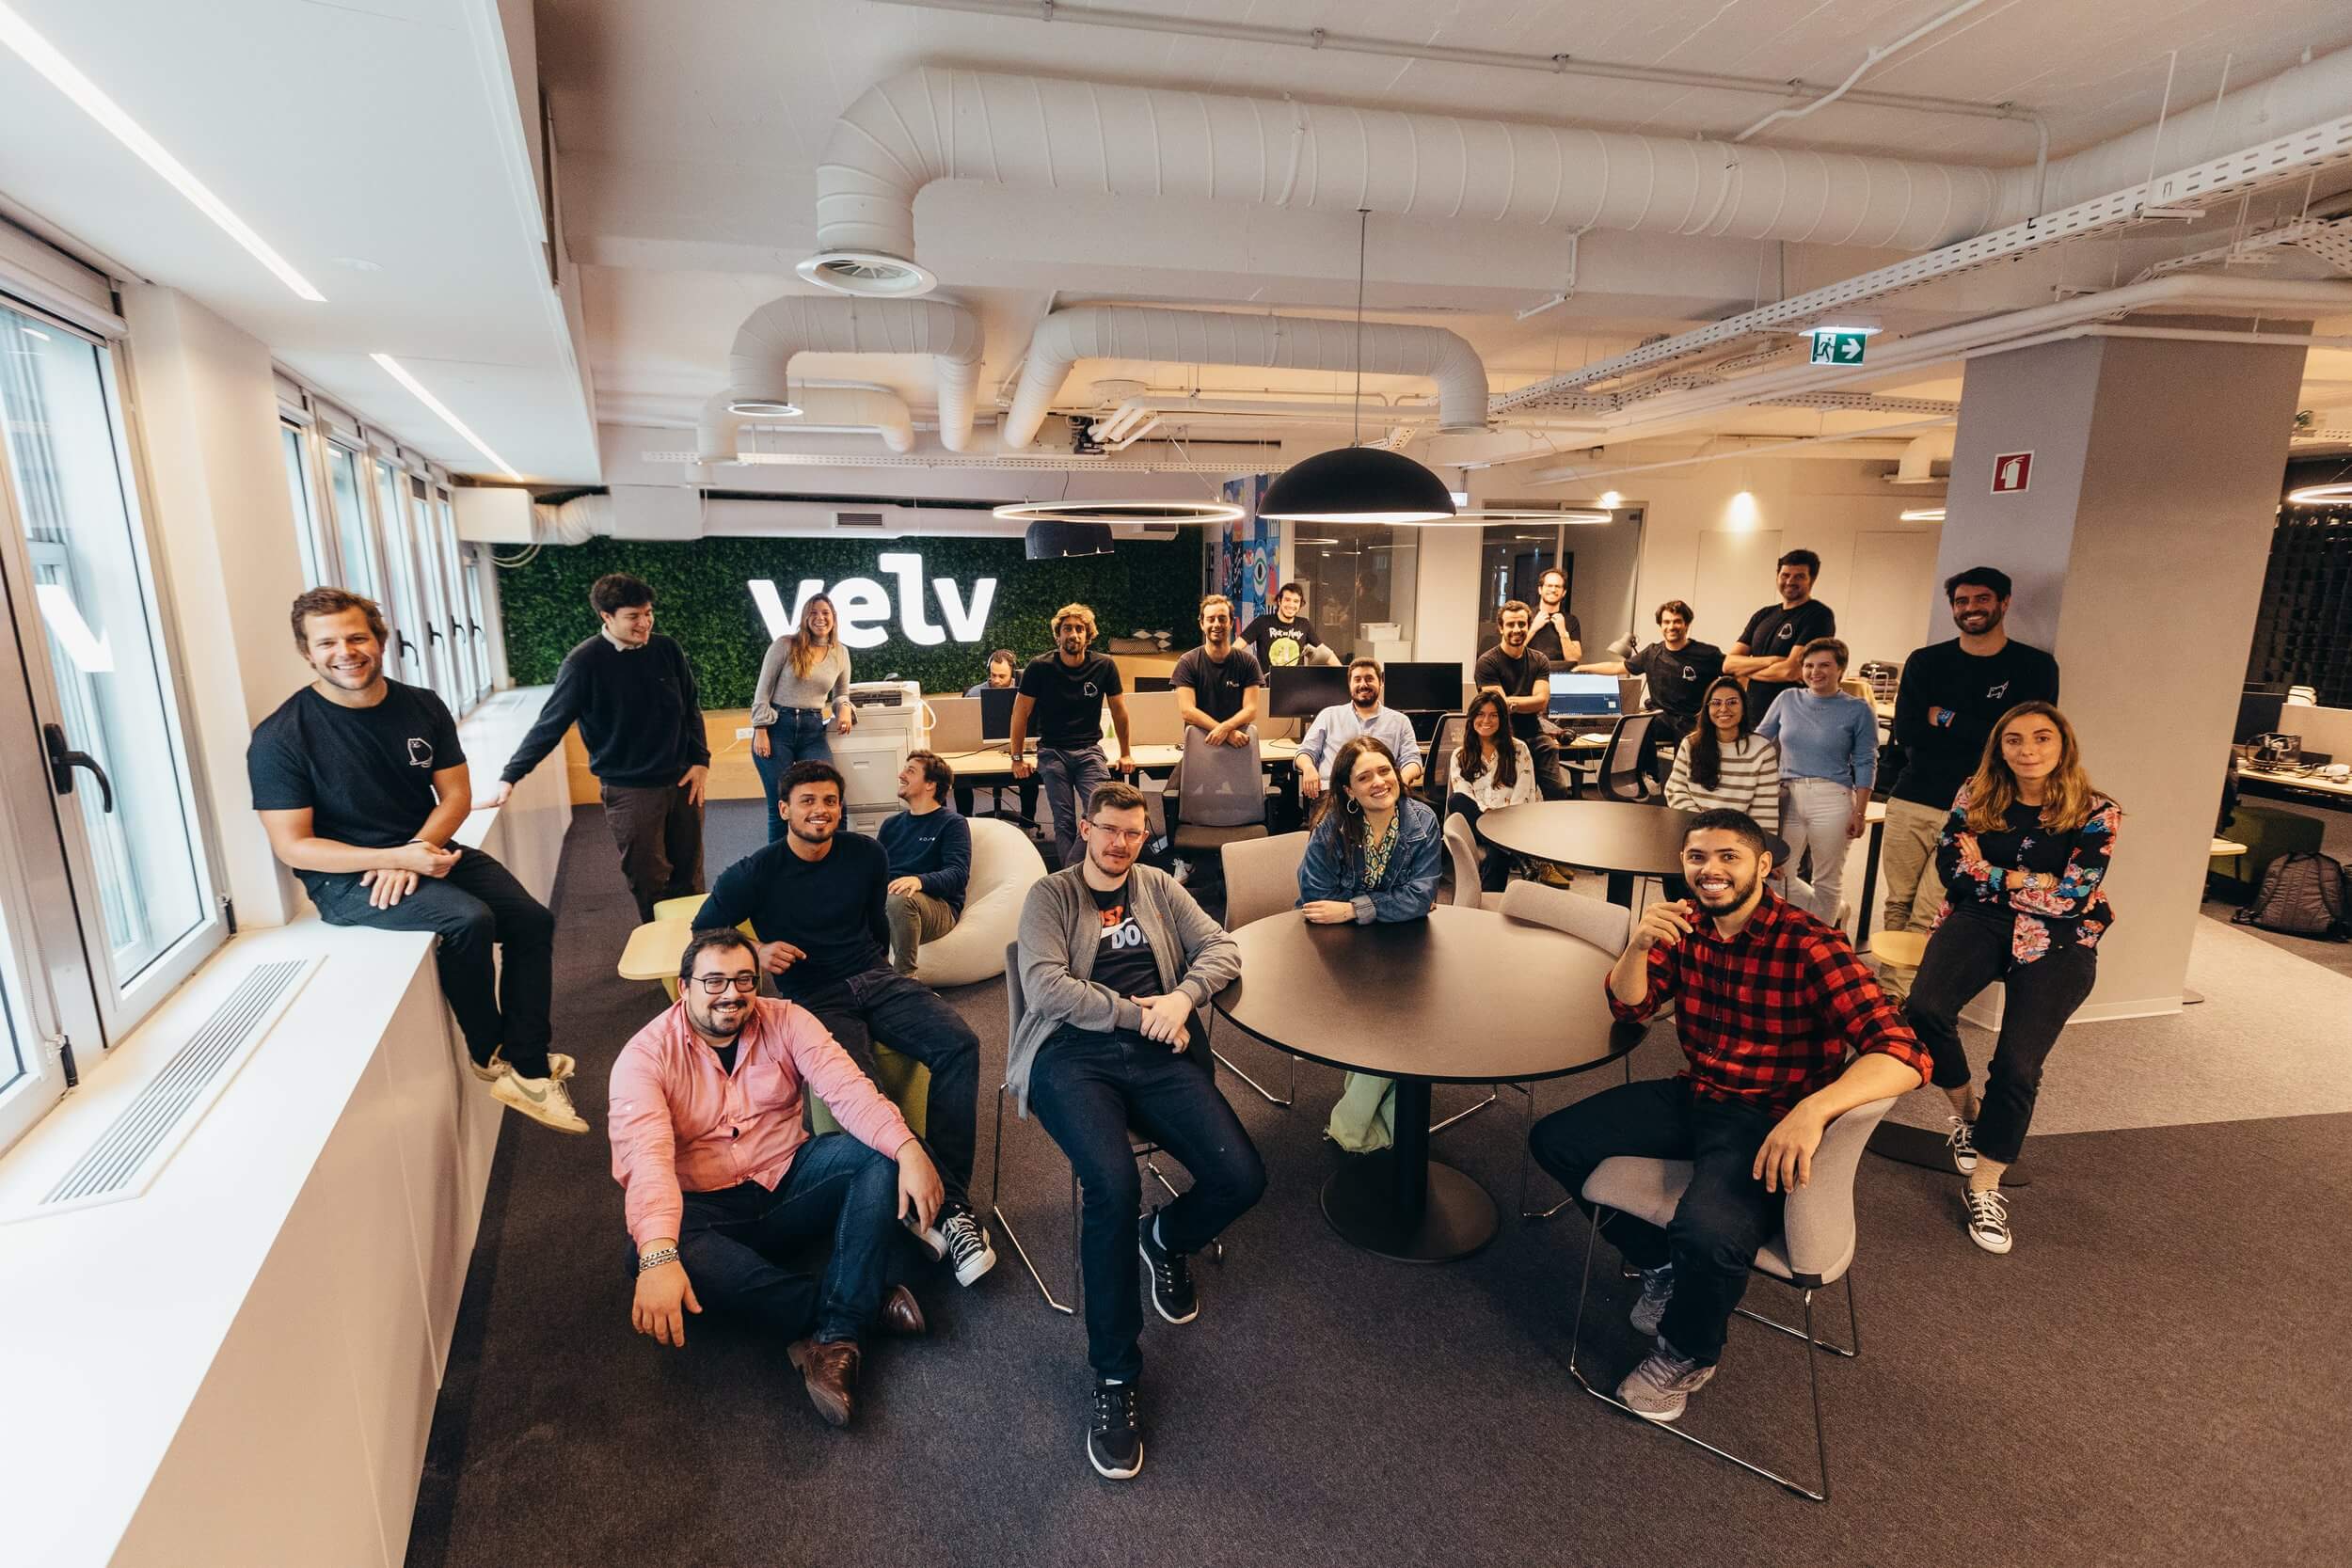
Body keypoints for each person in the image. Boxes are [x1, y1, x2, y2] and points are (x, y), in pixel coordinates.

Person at [1528, 809, 1929, 1425]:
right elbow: (1630, 1007)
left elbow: (1904, 1051)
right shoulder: (1688, 926)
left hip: (1766, 1117)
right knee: (1556, 1139)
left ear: (1763, 866)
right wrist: (1639, 944)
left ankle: (1686, 1352)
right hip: (1698, 1093)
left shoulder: (1810, 944)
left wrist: (1815, 1109)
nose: (1710, 870)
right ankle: (1659, 1263)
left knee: (1710, 1235)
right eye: (1697, 857)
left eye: (1728, 857)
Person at [248, 588, 585, 1133]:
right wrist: (395, 857)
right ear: (307, 653)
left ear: (380, 640)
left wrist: (413, 855)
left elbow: (455, 796)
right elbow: (293, 845)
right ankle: (492, 1055)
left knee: (531, 920)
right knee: (468, 919)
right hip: (345, 877)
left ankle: (526, 1060)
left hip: (426, 848)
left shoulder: (422, 704)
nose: (345, 652)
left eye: (357, 637)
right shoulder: (281, 737)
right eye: (327, 643)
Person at [1008, 780, 1264, 1481]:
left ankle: (1167, 1237)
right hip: (1071, 1054)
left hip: (1158, 1048)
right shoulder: (1051, 896)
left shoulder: (1157, 885)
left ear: (1144, 834)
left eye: (1133, 831)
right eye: (1109, 829)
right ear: (1085, 829)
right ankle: (1115, 1376)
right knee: (1112, 1185)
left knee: (1243, 1176)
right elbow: (1046, 987)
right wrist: (1137, 1012)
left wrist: (1181, 997)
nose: (1120, 843)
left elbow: (1222, 948)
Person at [609, 927, 943, 1428]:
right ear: (684, 987)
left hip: (788, 1180)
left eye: (745, 979)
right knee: (645, 1254)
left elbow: (848, 1090)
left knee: (878, 1158)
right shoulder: (643, 1057)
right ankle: (854, 1308)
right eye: (714, 981)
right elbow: (647, 1157)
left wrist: (908, 1147)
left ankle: (834, 1329)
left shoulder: (787, 1020)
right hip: (705, 1206)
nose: (731, 993)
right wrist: (658, 1255)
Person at [697, 761, 997, 1289]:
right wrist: (756, 950)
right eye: (808, 801)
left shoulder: (867, 855)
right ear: (784, 809)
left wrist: (876, 969)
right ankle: (944, 1209)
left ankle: (947, 1204)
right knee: (860, 1089)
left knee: (961, 1044)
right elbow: (703, 930)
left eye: (830, 801)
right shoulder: (756, 871)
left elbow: (876, 928)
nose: (821, 811)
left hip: (874, 977)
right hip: (814, 995)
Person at [1907, 703, 2117, 1257]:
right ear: (1999, 747)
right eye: (2014, 740)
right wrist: (2032, 879)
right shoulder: (1975, 794)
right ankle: (1968, 1115)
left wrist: (1991, 871)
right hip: (1979, 919)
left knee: (2018, 1066)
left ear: (2063, 745)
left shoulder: (2098, 812)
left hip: (2060, 936)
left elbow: (2073, 896)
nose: (2028, 750)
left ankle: (1985, 1185)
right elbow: (1952, 870)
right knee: (1923, 1008)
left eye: (2042, 738)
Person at [483, 573, 709, 924]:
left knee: (689, 874)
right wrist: (510, 776)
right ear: (606, 616)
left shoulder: (667, 649)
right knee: (648, 877)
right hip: (630, 789)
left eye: (648, 613)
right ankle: (660, 942)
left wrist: (700, 760)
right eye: (633, 616)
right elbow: (550, 725)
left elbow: (690, 708)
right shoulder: (583, 663)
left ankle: (698, 944)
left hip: (683, 781)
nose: (645, 623)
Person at [1879, 568, 2061, 1001]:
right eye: (1962, 601)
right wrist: (1984, 730)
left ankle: (1903, 1000)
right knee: (1898, 902)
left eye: (1982, 599)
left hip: (1978, 809)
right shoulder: (1926, 661)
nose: (1971, 609)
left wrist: (1946, 717)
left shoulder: (2034, 667)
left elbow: (2020, 741)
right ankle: (1890, 994)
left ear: (2004, 603)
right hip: (1912, 797)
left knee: (1931, 908)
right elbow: (1908, 731)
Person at [1297, 737, 1441, 1152]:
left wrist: (1353, 909)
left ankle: (1353, 1126)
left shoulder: (1423, 822)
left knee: (1401, 1021)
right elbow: (1315, 898)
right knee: (1390, 1026)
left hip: (1403, 946)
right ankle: (1366, 1125)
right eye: (1364, 777)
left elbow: (1421, 897)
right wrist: (1387, 906)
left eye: (1384, 771)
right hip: (1339, 949)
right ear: (1348, 789)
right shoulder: (1332, 826)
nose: (1379, 782)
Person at [1009, 603, 1139, 869]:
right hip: (1052, 751)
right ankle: (1075, 877)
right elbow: (1020, 713)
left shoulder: (1104, 665)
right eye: (1067, 629)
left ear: (1088, 635)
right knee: (1064, 820)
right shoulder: (1040, 667)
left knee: (1099, 814)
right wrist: (1017, 757)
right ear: (1058, 635)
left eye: (1080, 629)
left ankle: (1073, 873)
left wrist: (1126, 753)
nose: (1074, 634)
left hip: (1089, 750)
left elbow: (1120, 712)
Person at [1756, 639, 1876, 925]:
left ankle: (1823, 940)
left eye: (1824, 665)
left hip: (1832, 798)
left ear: (1841, 669)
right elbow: (1759, 740)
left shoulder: (1858, 709)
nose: (1815, 672)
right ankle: (1836, 912)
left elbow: (1866, 761)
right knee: (1777, 874)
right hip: (1787, 795)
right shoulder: (1787, 699)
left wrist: (1860, 812)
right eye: (1809, 665)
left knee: (1826, 880)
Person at [749, 592, 854, 845]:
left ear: (834, 618)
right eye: (813, 613)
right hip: (777, 728)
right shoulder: (785, 645)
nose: (820, 618)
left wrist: (844, 708)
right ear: (805, 618)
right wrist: (760, 729)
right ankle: (779, 862)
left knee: (833, 796)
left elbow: (841, 693)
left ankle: (838, 857)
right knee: (781, 805)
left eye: (825, 613)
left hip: (813, 730)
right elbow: (762, 691)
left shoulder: (840, 652)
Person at [1577, 599, 1725, 753]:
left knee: (1689, 760)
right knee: (1634, 730)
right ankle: (1645, 769)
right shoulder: (1652, 653)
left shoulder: (1707, 654)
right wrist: (1583, 668)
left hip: (1692, 722)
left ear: (1686, 624)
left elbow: (1733, 673)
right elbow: (1617, 667)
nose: (1671, 626)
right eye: (1666, 622)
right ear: (1660, 625)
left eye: (1677, 621)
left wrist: (1720, 707)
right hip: (1661, 718)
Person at [880, 750, 970, 976]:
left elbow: (958, 874)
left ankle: (906, 979)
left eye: (910, 771)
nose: (901, 775)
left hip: (936, 907)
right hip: (890, 902)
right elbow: (876, 872)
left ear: (930, 784)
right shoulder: (890, 825)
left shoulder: (952, 823)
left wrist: (919, 881)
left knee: (901, 897)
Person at [1724, 549, 1836, 725]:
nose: (1790, 581)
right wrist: (1773, 660)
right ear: (1777, 576)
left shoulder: (1818, 616)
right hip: (1754, 715)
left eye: (1799, 576)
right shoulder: (1763, 615)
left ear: (1812, 579)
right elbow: (1728, 664)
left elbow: (1791, 671)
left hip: (1792, 719)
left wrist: (1746, 670)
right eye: (1785, 575)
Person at [1446, 690, 1538, 895]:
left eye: (1493, 715)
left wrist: (1501, 820)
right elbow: (1463, 792)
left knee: (1497, 852)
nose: (1486, 720)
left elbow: (1524, 793)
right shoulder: (1460, 755)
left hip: (1511, 822)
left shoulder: (1519, 749)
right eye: (1480, 714)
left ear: (1502, 719)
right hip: (1478, 822)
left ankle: (1488, 904)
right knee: (1456, 800)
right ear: (1472, 718)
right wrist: (1486, 814)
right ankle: (1516, 854)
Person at [1295, 657, 1423, 803]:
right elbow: (1305, 752)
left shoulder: (1400, 721)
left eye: (1369, 679)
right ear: (1350, 684)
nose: (1363, 684)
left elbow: (1412, 760)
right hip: (1334, 794)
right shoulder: (1329, 715)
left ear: (1381, 682)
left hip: (1380, 792)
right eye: (1357, 679)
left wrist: (1401, 782)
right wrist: (1308, 767)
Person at [1475, 600, 1568, 800]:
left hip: (1534, 734)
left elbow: (1541, 701)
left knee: (1559, 791)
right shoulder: (1487, 662)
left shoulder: (1539, 660)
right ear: (1501, 628)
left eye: (1522, 624)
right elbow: (1498, 708)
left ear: (1528, 626)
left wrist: (1511, 702)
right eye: (1510, 624)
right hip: (1501, 737)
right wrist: (1523, 703)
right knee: (1510, 795)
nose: (1517, 629)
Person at [1171, 594, 1266, 744]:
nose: (1217, 624)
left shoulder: (1248, 663)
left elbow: (1251, 710)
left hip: (1238, 743)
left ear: (1231, 623)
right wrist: (1226, 733)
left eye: (1222, 619)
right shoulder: (1187, 662)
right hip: (1201, 744)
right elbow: (1187, 711)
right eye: (1211, 619)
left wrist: (1225, 728)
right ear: (1202, 624)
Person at [1240, 581, 1320, 671]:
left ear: (1300, 604)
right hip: (1267, 679)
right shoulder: (1262, 622)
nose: (1291, 605)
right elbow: (1235, 649)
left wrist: (1335, 675)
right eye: (1287, 600)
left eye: (1296, 601)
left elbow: (1326, 653)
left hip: (1297, 679)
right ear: (1279, 600)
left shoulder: (1304, 624)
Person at [1526, 566, 1582, 665]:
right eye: (1549, 585)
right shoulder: (1525, 616)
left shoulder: (1571, 620)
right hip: (1530, 671)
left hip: (1559, 672)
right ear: (1540, 589)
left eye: (1558, 586)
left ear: (1564, 592)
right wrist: (1533, 628)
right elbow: (1511, 652)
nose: (1553, 590)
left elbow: (1574, 658)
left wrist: (1563, 632)